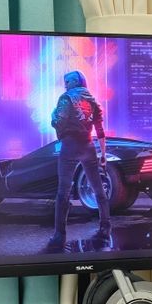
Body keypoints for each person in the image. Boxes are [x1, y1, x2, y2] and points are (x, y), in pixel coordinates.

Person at [47, 70, 110, 251]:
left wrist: (53, 114)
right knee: (98, 189)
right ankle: (105, 227)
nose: (65, 84)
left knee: (63, 192)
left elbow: (58, 122)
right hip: (88, 147)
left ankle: (59, 235)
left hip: (70, 146)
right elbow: (100, 130)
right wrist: (103, 154)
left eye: (67, 81)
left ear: (75, 82)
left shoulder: (66, 98)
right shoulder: (92, 100)